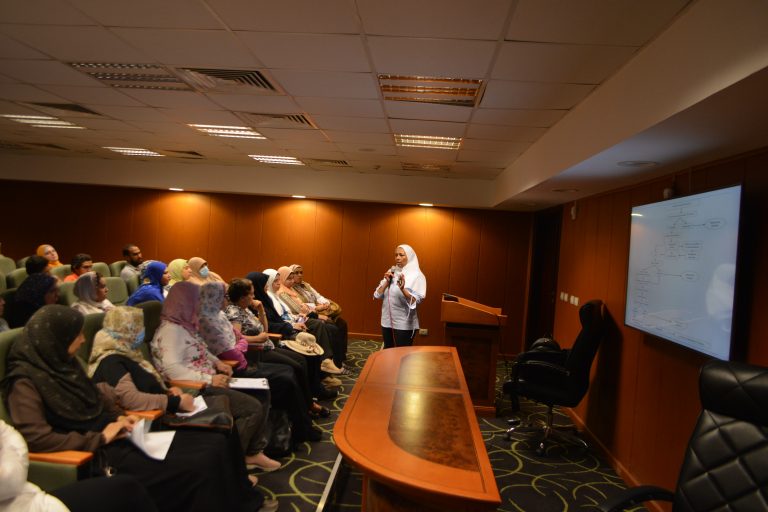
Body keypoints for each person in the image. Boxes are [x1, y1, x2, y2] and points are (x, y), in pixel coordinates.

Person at [1, 305, 275, 512]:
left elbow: (96, 403)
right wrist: (101, 437)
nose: (83, 340)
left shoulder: (63, 364)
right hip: (94, 454)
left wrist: (121, 418)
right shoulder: (24, 382)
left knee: (213, 442)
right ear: (56, 339)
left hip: (120, 434)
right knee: (197, 464)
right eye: (77, 335)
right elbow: (36, 438)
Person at [149, 282, 279, 470]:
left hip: (210, 379)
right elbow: (172, 370)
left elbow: (201, 350)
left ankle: (252, 452)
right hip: (194, 390)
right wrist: (210, 379)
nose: (199, 304)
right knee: (252, 408)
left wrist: (218, 363)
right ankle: (233, 464)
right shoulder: (171, 331)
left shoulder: (184, 324)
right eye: (195, 300)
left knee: (261, 392)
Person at [199, 281, 323, 445]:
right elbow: (234, 350)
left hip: (249, 355)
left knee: (292, 370)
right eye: (223, 296)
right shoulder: (212, 321)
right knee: (287, 376)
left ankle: (302, 424)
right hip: (241, 364)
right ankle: (298, 429)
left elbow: (244, 338)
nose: (226, 299)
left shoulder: (220, 316)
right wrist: (245, 342)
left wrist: (260, 312)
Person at [0, 419, 158, 512]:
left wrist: (118, 417)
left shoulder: (71, 375)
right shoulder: (23, 380)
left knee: (129, 488)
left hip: (25, 495)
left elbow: (7, 433)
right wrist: (100, 438)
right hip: (92, 450)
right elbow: (9, 479)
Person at [275, 267, 343, 377]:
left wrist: (311, 309)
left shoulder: (291, 290)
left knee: (337, 324)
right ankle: (327, 362)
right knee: (324, 326)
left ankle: (335, 362)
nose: (292, 281)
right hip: (293, 323)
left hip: (299, 318)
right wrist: (313, 311)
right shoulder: (281, 293)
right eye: (289, 279)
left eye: (292, 278)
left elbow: (305, 306)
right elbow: (298, 309)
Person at [291, 263, 349, 373]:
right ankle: (335, 362)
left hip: (318, 311)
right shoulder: (290, 289)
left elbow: (318, 296)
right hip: (309, 315)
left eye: (301, 272)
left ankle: (341, 357)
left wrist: (326, 303)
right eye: (296, 273)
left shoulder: (306, 285)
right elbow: (303, 307)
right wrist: (318, 308)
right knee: (331, 327)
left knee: (342, 323)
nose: (299, 275)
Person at [374, 244, 427, 349]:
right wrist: (386, 283)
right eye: (396, 255)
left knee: (401, 353)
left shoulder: (417, 275)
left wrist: (403, 289)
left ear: (409, 256)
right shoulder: (392, 272)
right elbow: (377, 295)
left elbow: (415, 301)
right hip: (386, 321)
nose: (397, 258)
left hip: (404, 324)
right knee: (388, 351)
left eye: (401, 255)